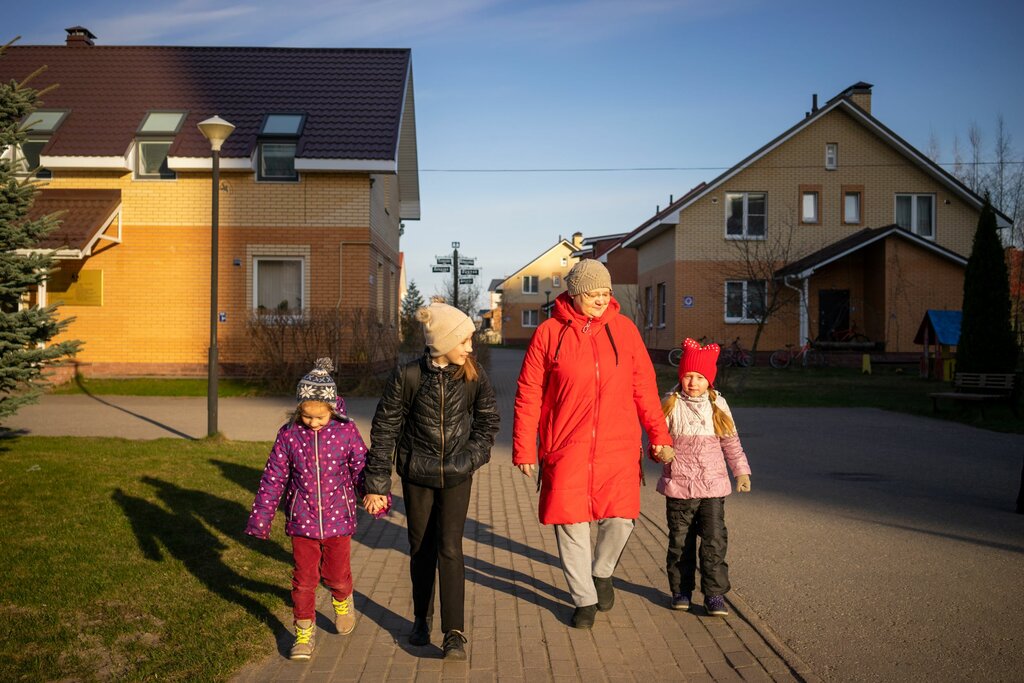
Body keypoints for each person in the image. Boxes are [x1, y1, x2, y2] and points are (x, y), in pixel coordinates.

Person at [512, 259, 673, 629]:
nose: (602, 300)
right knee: (571, 524)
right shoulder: (549, 333)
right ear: (575, 294)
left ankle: (602, 571)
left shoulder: (625, 330)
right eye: (593, 294)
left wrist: (659, 437)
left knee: (621, 519)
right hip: (566, 445)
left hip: (618, 445)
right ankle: (583, 598)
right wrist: (524, 448)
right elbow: (528, 394)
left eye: (606, 293)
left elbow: (645, 389)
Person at [363, 298, 500, 660]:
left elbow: (488, 423)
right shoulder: (407, 376)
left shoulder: (474, 375)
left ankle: (454, 632)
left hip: (458, 477)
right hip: (417, 476)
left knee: (450, 549)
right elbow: (385, 430)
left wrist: (469, 459)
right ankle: (421, 618)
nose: (470, 347)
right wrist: (377, 484)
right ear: (442, 342)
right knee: (421, 549)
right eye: (464, 340)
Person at [245, 357, 370, 661]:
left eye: (319, 417)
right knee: (304, 580)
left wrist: (374, 494)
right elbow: (273, 477)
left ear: (333, 410)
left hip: (339, 519)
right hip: (302, 521)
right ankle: (303, 631)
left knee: (336, 576)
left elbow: (361, 468)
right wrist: (261, 518)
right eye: (306, 416)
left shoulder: (347, 432)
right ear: (298, 408)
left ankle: (342, 599)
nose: (312, 423)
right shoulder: (288, 434)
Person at [656, 338, 751, 616]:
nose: (693, 382)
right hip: (680, 486)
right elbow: (657, 438)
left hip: (712, 487)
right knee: (679, 543)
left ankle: (714, 595)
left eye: (699, 377)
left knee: (714, 541)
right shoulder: (670, 403)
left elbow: (731, 443)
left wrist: (741, 471)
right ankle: (681, 591)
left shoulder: (718, 405)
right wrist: (659, 451)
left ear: (709, 380)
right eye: (688, 376)